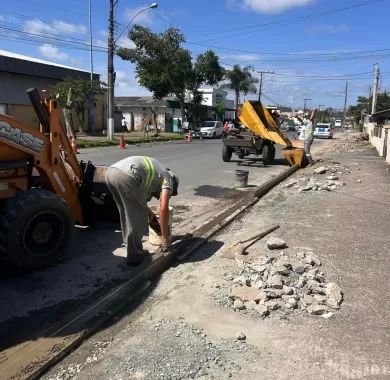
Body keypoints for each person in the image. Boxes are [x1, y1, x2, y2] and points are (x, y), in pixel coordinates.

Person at [105, 156, 179, 266]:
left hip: (110, 173)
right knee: (136, 219)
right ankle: (135, 257)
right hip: (127, 176)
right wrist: (165, 239)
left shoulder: (156, 172)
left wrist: (149, 213)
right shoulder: (168, 179)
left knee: (126, 214)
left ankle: (133, 250)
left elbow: (139, 201)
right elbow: (163, 209)